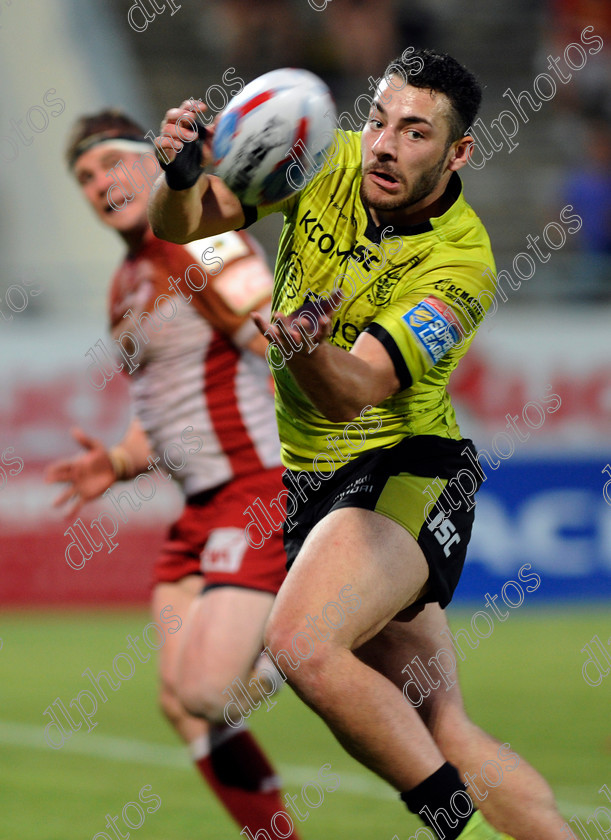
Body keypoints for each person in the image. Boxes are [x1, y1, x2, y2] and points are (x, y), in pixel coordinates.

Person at [148, 50, 568, 840]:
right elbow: (187, 226)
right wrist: (178, 176)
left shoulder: (462, 262)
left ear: (457, 153)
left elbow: (353, 392)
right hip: (316, 485)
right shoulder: (324, 157)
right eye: (378, 121)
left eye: (414, 132)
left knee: (301, 642)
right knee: (440, 723)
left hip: (405, 469)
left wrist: (307, 349)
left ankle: (455, 829)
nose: (382, 144)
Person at [46, 109, 301, 839]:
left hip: (254, 487)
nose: (101, 184)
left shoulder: (204, 234)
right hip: (198, 509)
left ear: (154, 159)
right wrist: (121, 460)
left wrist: (322, 464)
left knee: (211, 690)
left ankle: (309, 641)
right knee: (180, 701)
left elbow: (275, 342)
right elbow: (155, 406)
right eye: (86, 178)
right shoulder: (124, 282)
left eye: (114, 164)